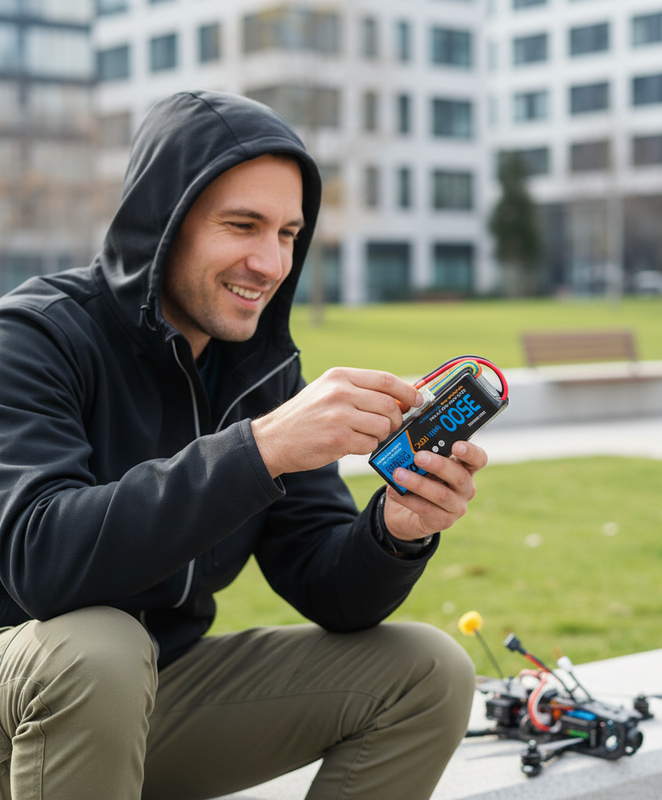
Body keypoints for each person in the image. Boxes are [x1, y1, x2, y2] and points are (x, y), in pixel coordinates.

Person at [0, 90, 488, 800]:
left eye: (289, 233)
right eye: (243, 225)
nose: (270, 261)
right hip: (30, 695)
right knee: (99, 648)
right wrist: (258, 449)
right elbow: (40, 563)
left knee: (428, 671)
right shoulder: (32, 338)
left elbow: (329, 586)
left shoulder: (259, 370)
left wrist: (394, 532)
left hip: (148, 697)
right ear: (164, 224)